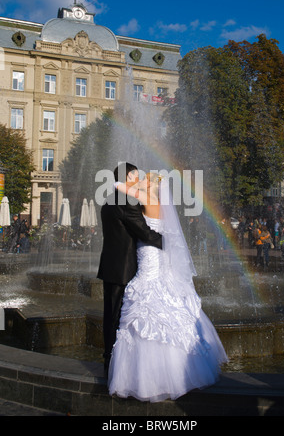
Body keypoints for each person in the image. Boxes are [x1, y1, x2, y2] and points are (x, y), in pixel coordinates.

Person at [108, 172, 228, 402]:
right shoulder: (158, 202)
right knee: (156, 296)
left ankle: (152, 379)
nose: (140, 181)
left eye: (144, 179)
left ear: (151, 185)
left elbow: (117, 185)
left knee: (147, 295)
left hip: (149, 255)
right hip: (154, 253)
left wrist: (132, 181)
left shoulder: (150, 199)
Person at [97, 163, 162, 376]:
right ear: (129, 175)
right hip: (123, 268)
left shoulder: (109, 198)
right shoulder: (125, 201)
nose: (139, 178)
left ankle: (109, 359)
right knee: (118, 316)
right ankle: (114, 364)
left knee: (111, 314)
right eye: (136, 174)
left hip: (111, 265)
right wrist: (170, 243)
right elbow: (143, 232)